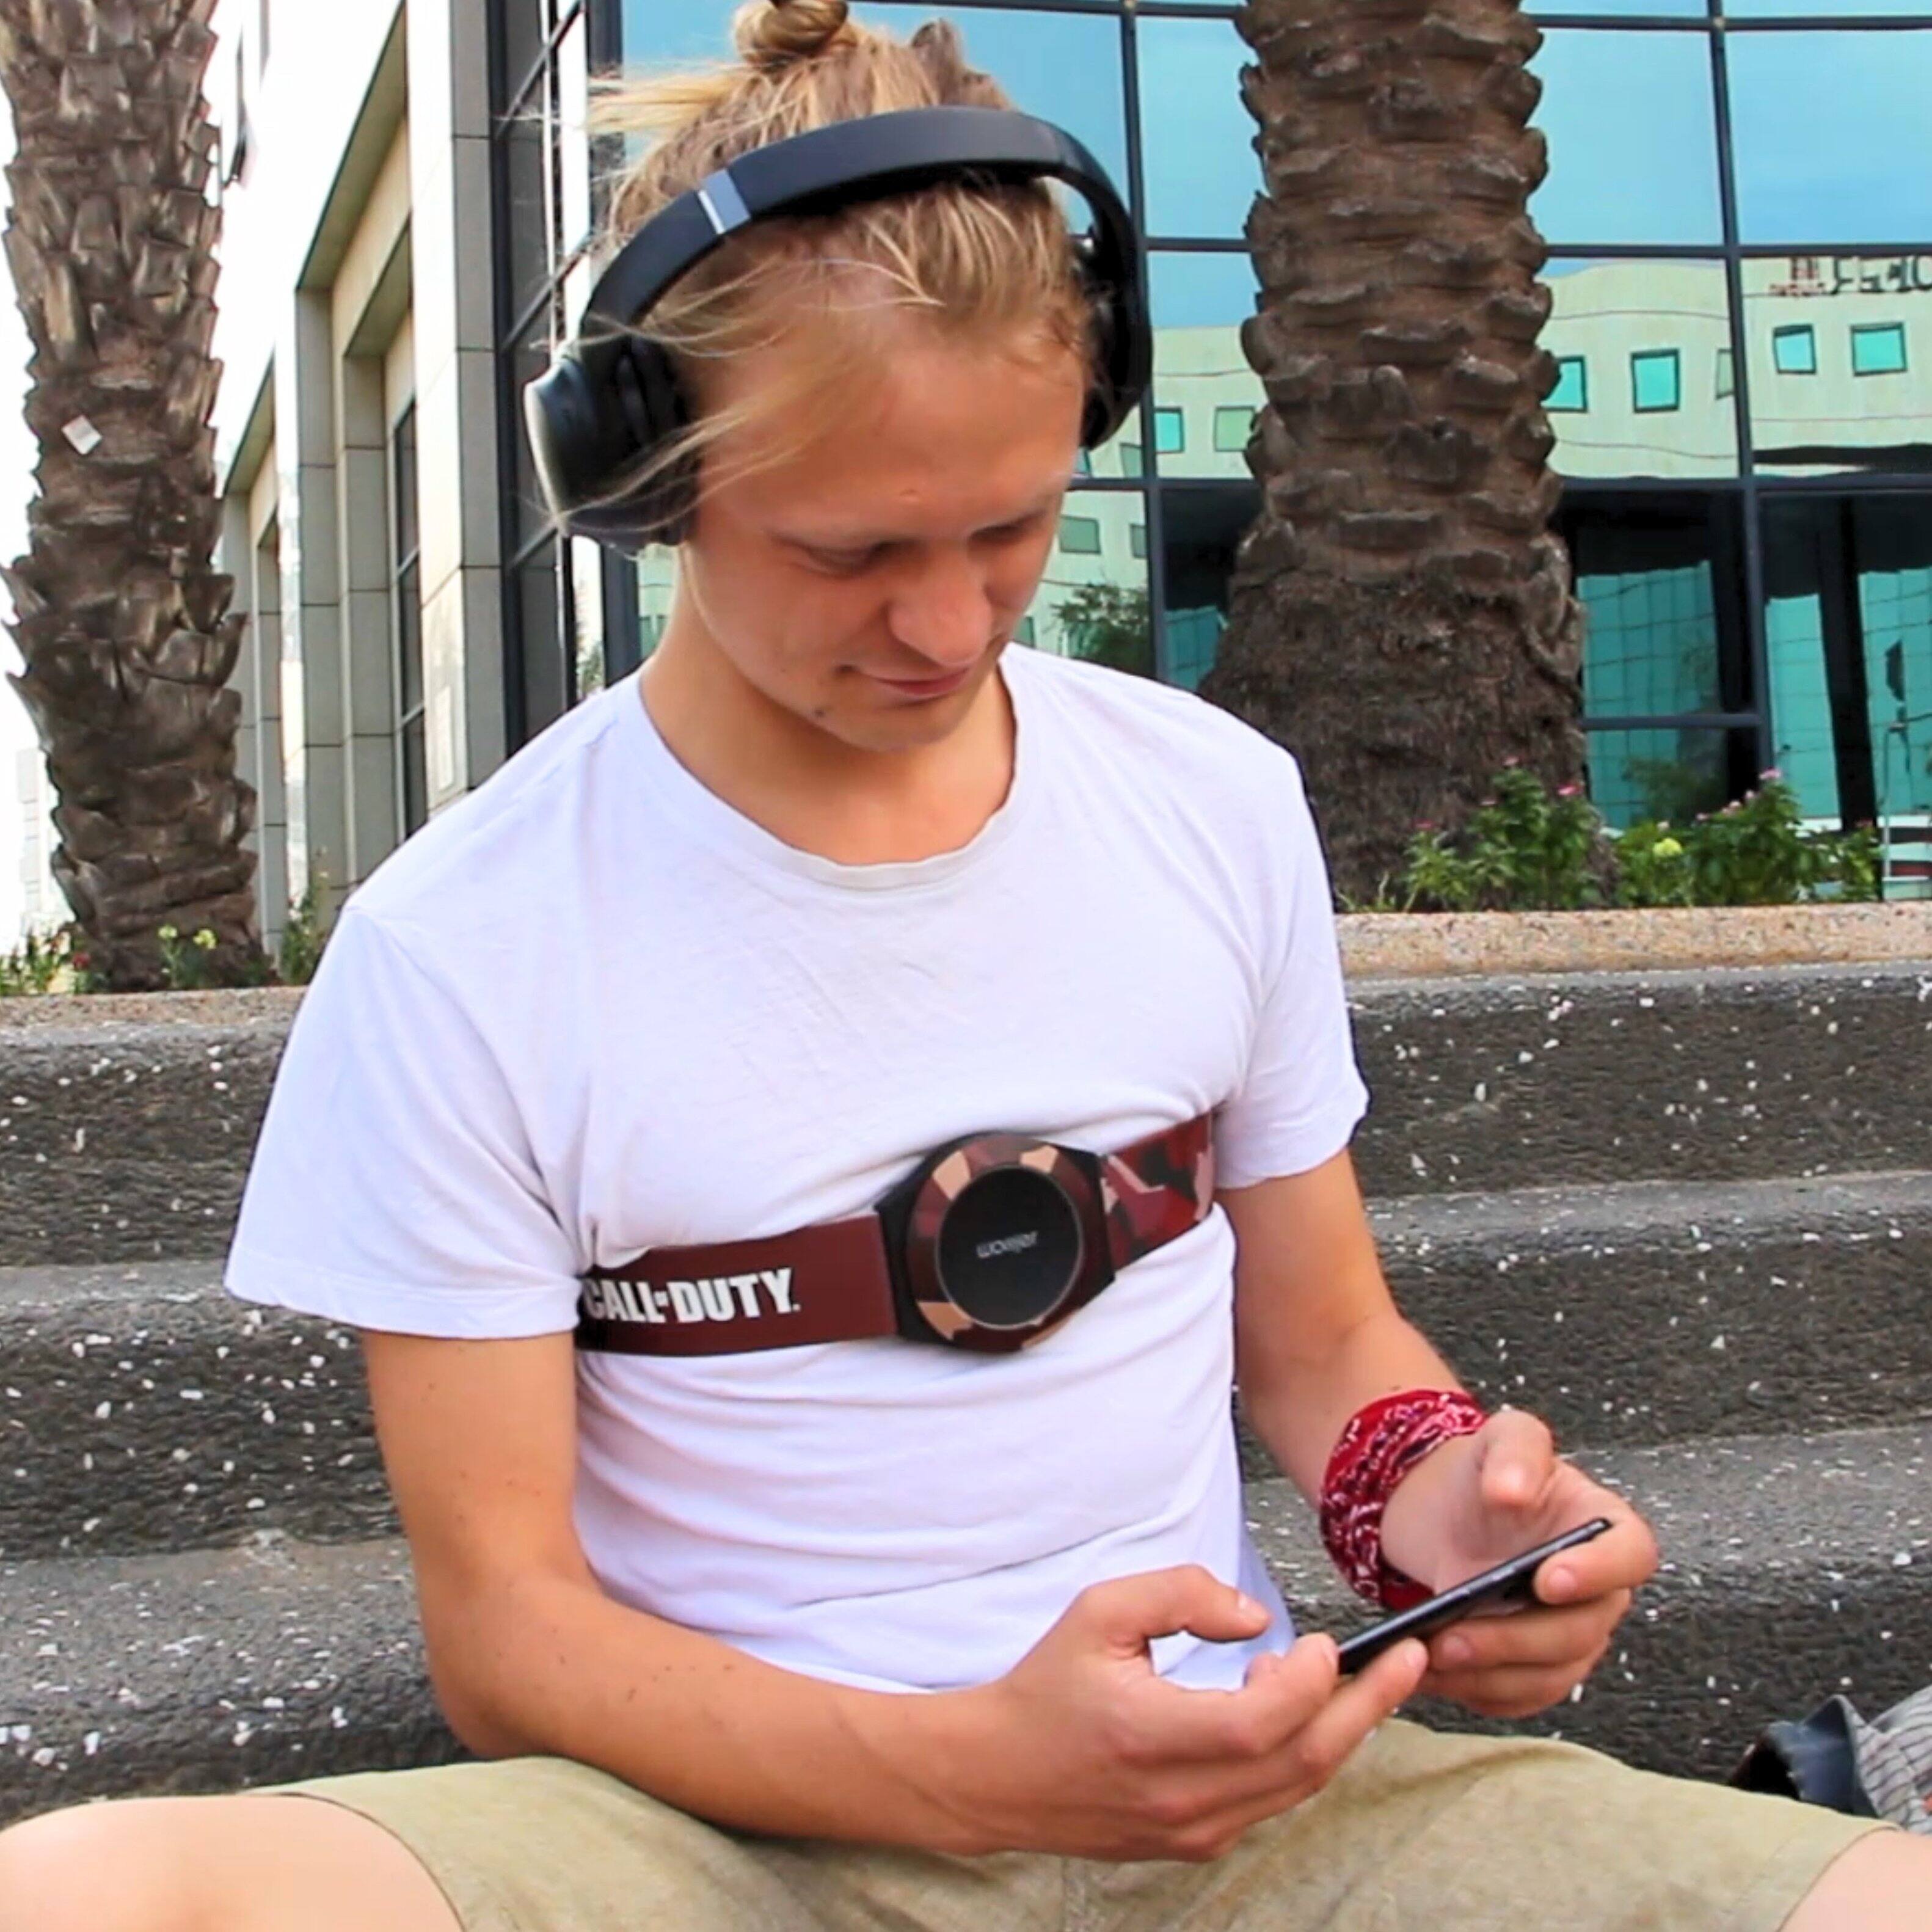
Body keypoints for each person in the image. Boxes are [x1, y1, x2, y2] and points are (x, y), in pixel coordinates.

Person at [2, 3, 1927, 1925]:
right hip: (713, 1839)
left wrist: (1452, 1516)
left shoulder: (1208, 803)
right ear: (650, 475)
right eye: (849, 548)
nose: (942, 621)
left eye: (1010, 528)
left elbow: (1328, 1348)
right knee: (93, 1893)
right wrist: (966, 1766)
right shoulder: (463, 949)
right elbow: (509, 1633)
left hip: (1254, 1804)